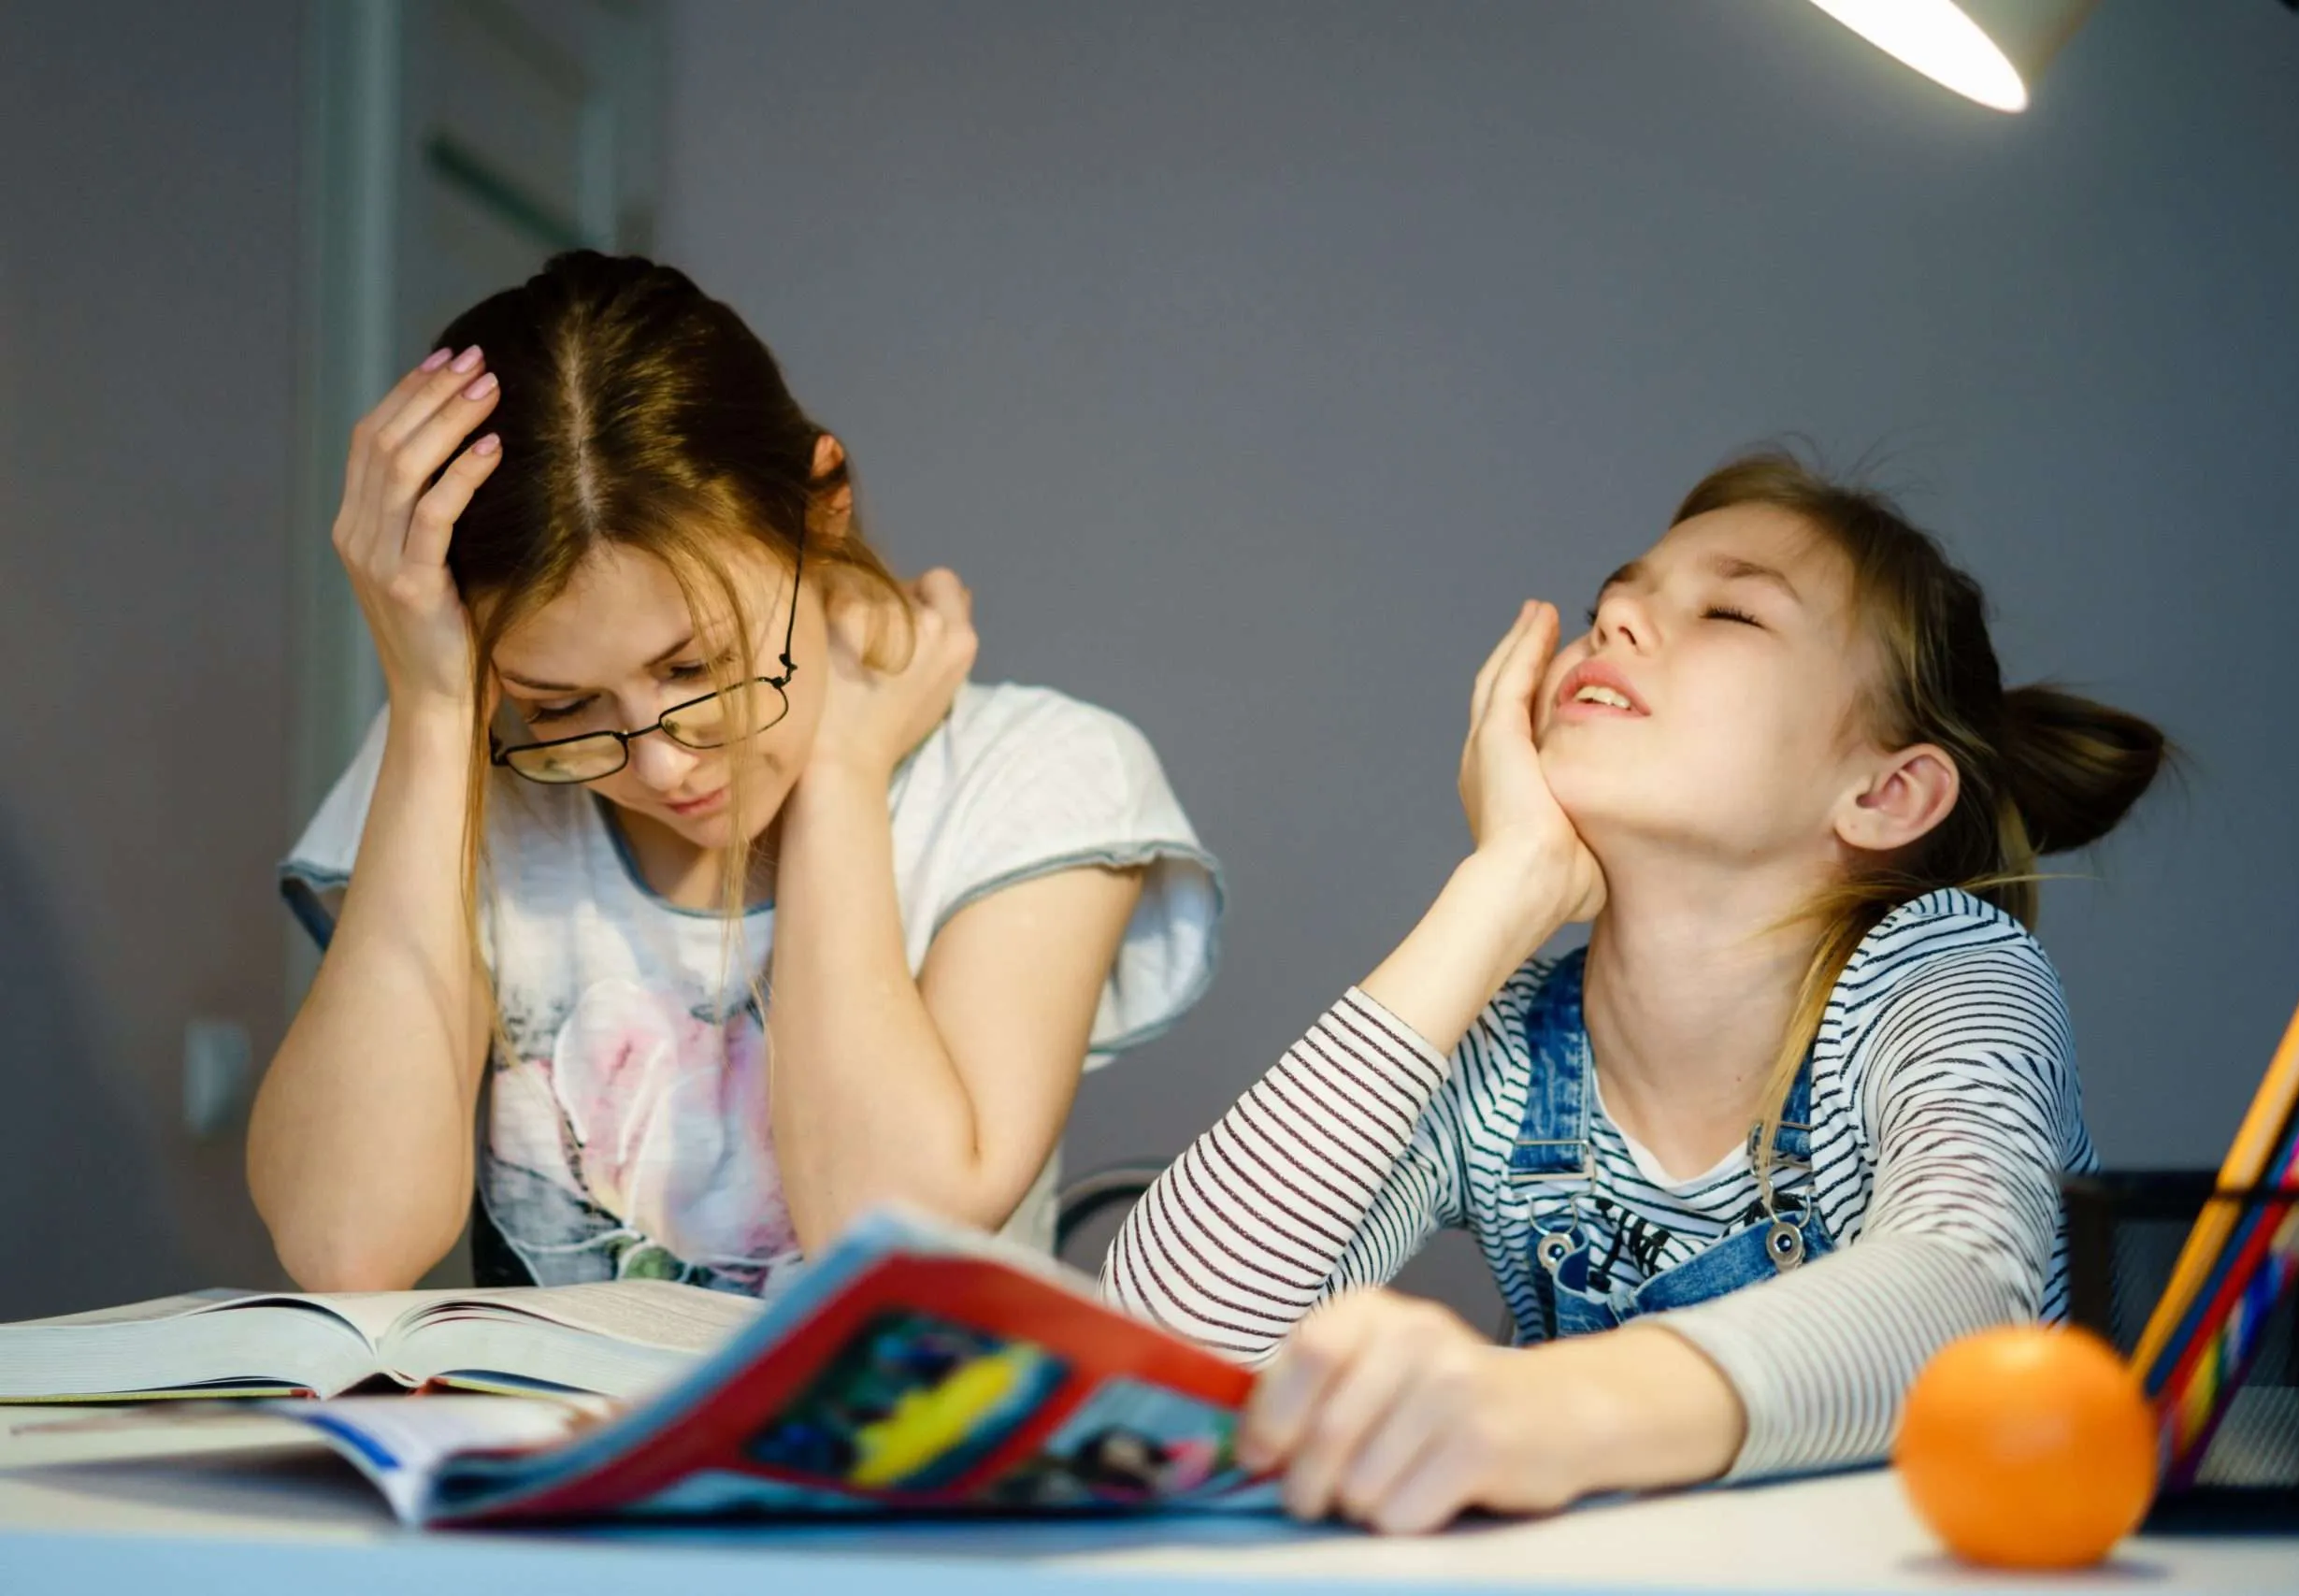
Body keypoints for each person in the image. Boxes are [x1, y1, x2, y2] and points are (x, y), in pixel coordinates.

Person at [1102, 450, 2166, 1531]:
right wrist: (1496, 893)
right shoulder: (1504, 1049)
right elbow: (1160, 1347)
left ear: (1886, 793)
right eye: (1611, 602)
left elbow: (1968, 1301)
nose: (1613, 620)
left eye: (1730, 614)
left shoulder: (1946, 974)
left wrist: (1534, 1409)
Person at [251, 252, 1220, 1297]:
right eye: (562, 705)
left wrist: (844, 774)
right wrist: (434, 709)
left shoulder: (1034, 777)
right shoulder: (451, 775)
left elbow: (889, 1241)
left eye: (697, 668)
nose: (663, 763)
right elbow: (346, 1246)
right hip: (556, 1458)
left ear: (822, 506)